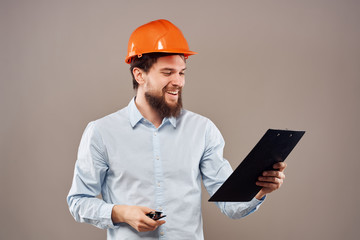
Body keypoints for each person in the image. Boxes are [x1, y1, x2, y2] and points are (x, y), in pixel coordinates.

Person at [67, 19, 287, 240]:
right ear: (139, 75)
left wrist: (258, 190)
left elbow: (229, 204)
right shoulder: (102, 132)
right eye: (167, 72)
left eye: (181, 73)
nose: (178, 82)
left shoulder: (202, 130)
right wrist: (120, 213)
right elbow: (78, 201)